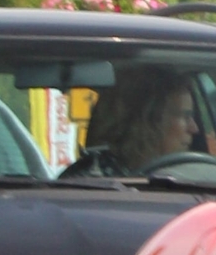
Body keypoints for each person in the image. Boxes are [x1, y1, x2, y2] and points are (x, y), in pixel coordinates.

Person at [64, 71, 200, 177]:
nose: (194, 128)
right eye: (185, 116)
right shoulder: (92, 182)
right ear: (148, 121)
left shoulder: (189, 179)